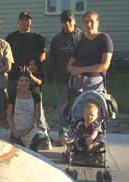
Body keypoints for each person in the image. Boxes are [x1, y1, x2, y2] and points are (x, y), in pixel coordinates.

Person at [47, 10, 83, 145]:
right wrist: (49, 77)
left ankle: (77, 134)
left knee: (78, 107)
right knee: (62, 108)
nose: (67, 23)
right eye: (64, 21)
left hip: (78, 80)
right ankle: (63, 135)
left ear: (74, 21)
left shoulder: (82, 37)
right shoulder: (57, 39)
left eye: (69, 20)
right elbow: (52, 60)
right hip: (62, 79)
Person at [66, 10, 113, 95]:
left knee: (90, 107)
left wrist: (80, 70)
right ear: (83, 24)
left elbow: (104, 65)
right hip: (77, 81)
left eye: (92, 21)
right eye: (86, 22)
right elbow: (69, 66)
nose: (89, 24)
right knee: (72, 107)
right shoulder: (81, 42)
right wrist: (74, 70)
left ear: (97, 23)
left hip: (95, 81)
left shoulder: (104, 38)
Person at [6, 11, 46, 98]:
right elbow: (6, 56)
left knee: (34, 103)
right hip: (14, 76)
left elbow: (42, 55)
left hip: (32, 77)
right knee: (13, 103)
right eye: (22, 20)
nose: (25, 22)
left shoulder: (38, 37)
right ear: (18, 22)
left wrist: (36, 66)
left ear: (30, 22)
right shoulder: (11, 37)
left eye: (27, 20)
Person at [6, 73, 47, 151]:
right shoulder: (13, 97)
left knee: (40, 138)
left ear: (29, 82)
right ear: (17, 82)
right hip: (16, 130)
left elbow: (37, 116)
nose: (24, 83)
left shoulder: (35, 97)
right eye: (21, 81)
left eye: (26, 81)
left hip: (31, 129)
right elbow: (8, 116)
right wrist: (14, 131)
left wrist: (27, 131)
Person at [25, 58, 52, 149]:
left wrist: (31, 75)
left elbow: (39, 82)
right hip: (28, 99)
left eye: (34, 65)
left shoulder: (40, 74)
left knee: (40, 119)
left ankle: (47, 140)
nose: (31, 66)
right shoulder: (25, 74)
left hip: (37, 99)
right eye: (30, 64)